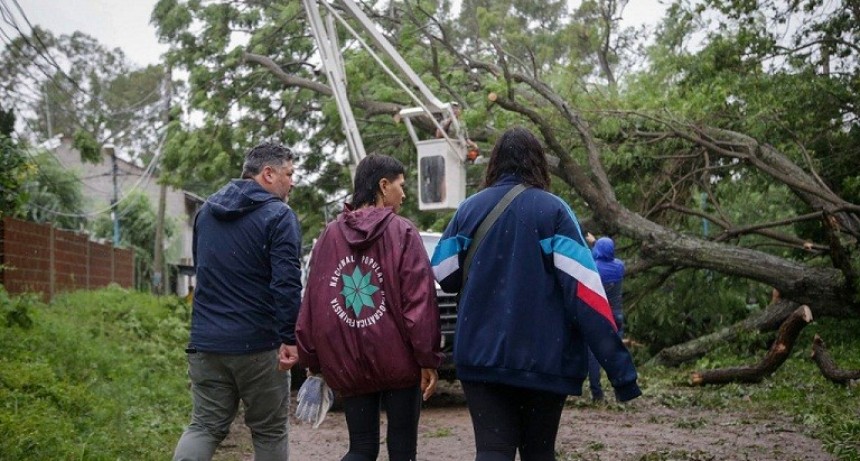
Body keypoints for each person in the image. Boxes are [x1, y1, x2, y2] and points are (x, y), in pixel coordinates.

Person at [430, 127, 641, 461]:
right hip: (544, 359)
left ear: (495, 163)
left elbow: (443, 273)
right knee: (538, 452)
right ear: (538, 163)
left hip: (480, 355)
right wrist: (621, 373)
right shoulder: (554, 212)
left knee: (492, 451)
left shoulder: (468, 210)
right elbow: (586, 295)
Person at [296, 154, 444, 461]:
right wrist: (427, 358)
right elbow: (418, 303)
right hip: (400, 361)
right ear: (383, 185)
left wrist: (312, 358)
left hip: (348, 361)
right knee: (402, 448)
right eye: (401, 186)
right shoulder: (403, 232)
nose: (404, 194)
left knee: (361, 447)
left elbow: (314, 300)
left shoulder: (329, 235)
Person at [173, 142, 303, 461]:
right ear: (268, 174)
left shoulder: (206, 213)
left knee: (204, 426)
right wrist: (290, 337)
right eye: (289, 174)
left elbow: (204, 272)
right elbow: (286, 283)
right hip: (258, 345)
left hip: (206, 343)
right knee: (269, 431)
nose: (292, 182)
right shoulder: (279, 216)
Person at [584, 232, 626, 402]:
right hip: (616, 316)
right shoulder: (619, 266)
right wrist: (596, 243)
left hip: (598, 316)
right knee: (616, 353)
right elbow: (604, 255)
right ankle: (620, 393)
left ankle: (597, 393)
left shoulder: (593, 268)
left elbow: (591, 258)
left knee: (594, 354)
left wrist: (593, 244)